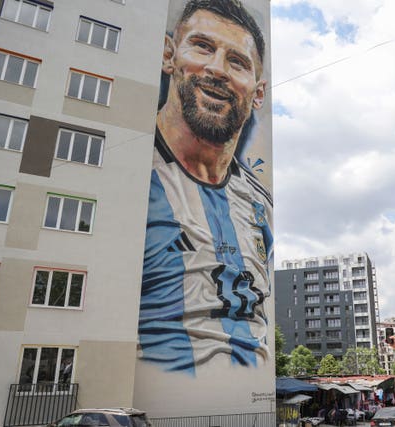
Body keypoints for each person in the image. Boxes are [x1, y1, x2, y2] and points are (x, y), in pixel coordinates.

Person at [139, 0, 273, 376]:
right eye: (202, 46)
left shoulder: (261, 206)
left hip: (249, 398)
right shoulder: (130, 174)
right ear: (169, 55)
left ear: (257, 93)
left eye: (237, 61)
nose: (216, 69)